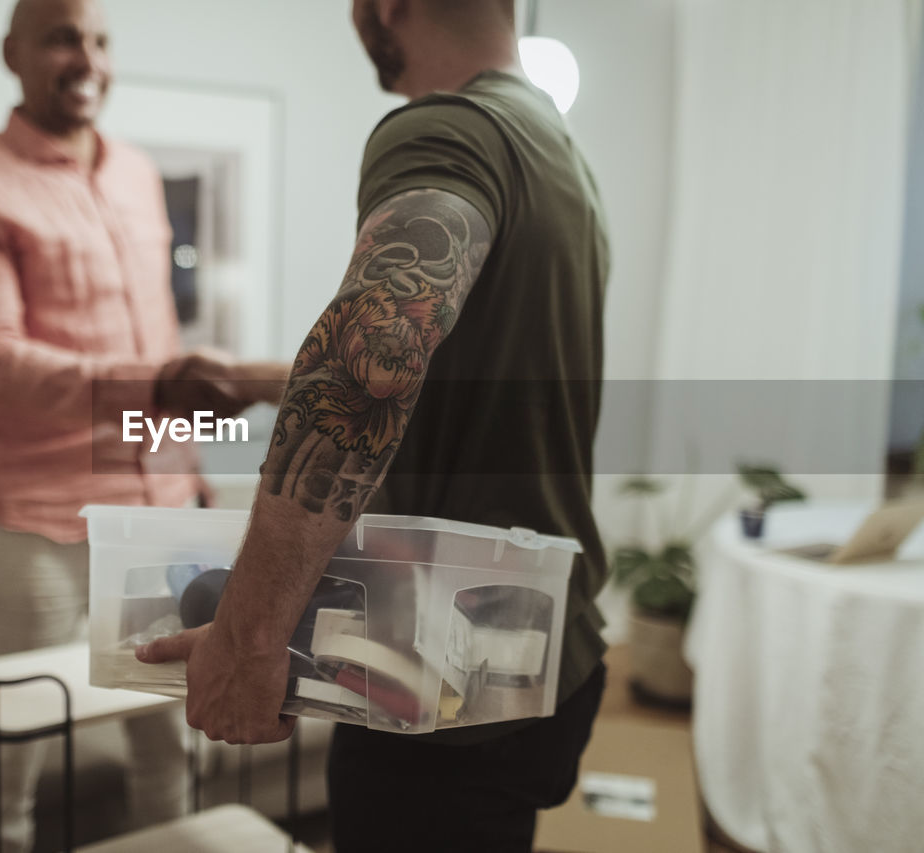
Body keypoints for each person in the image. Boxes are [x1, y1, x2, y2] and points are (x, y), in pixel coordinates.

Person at [137, 0, 611, 850]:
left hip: (438, 682)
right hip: (547, 651)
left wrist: (250, 636)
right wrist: (252, 380)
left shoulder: (443, 131)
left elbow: (374, 354)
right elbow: (450, 369)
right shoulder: (559, 151)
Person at [0, 0, 286, 849]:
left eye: (101, 40)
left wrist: (190, 470)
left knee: (171, 744)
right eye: (61, 37)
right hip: (33, 526)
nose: (87, 58)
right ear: (12, 54)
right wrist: (163, 384)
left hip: (158, 513)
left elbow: (155, 332)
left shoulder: (137, 173)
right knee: (6, 759)